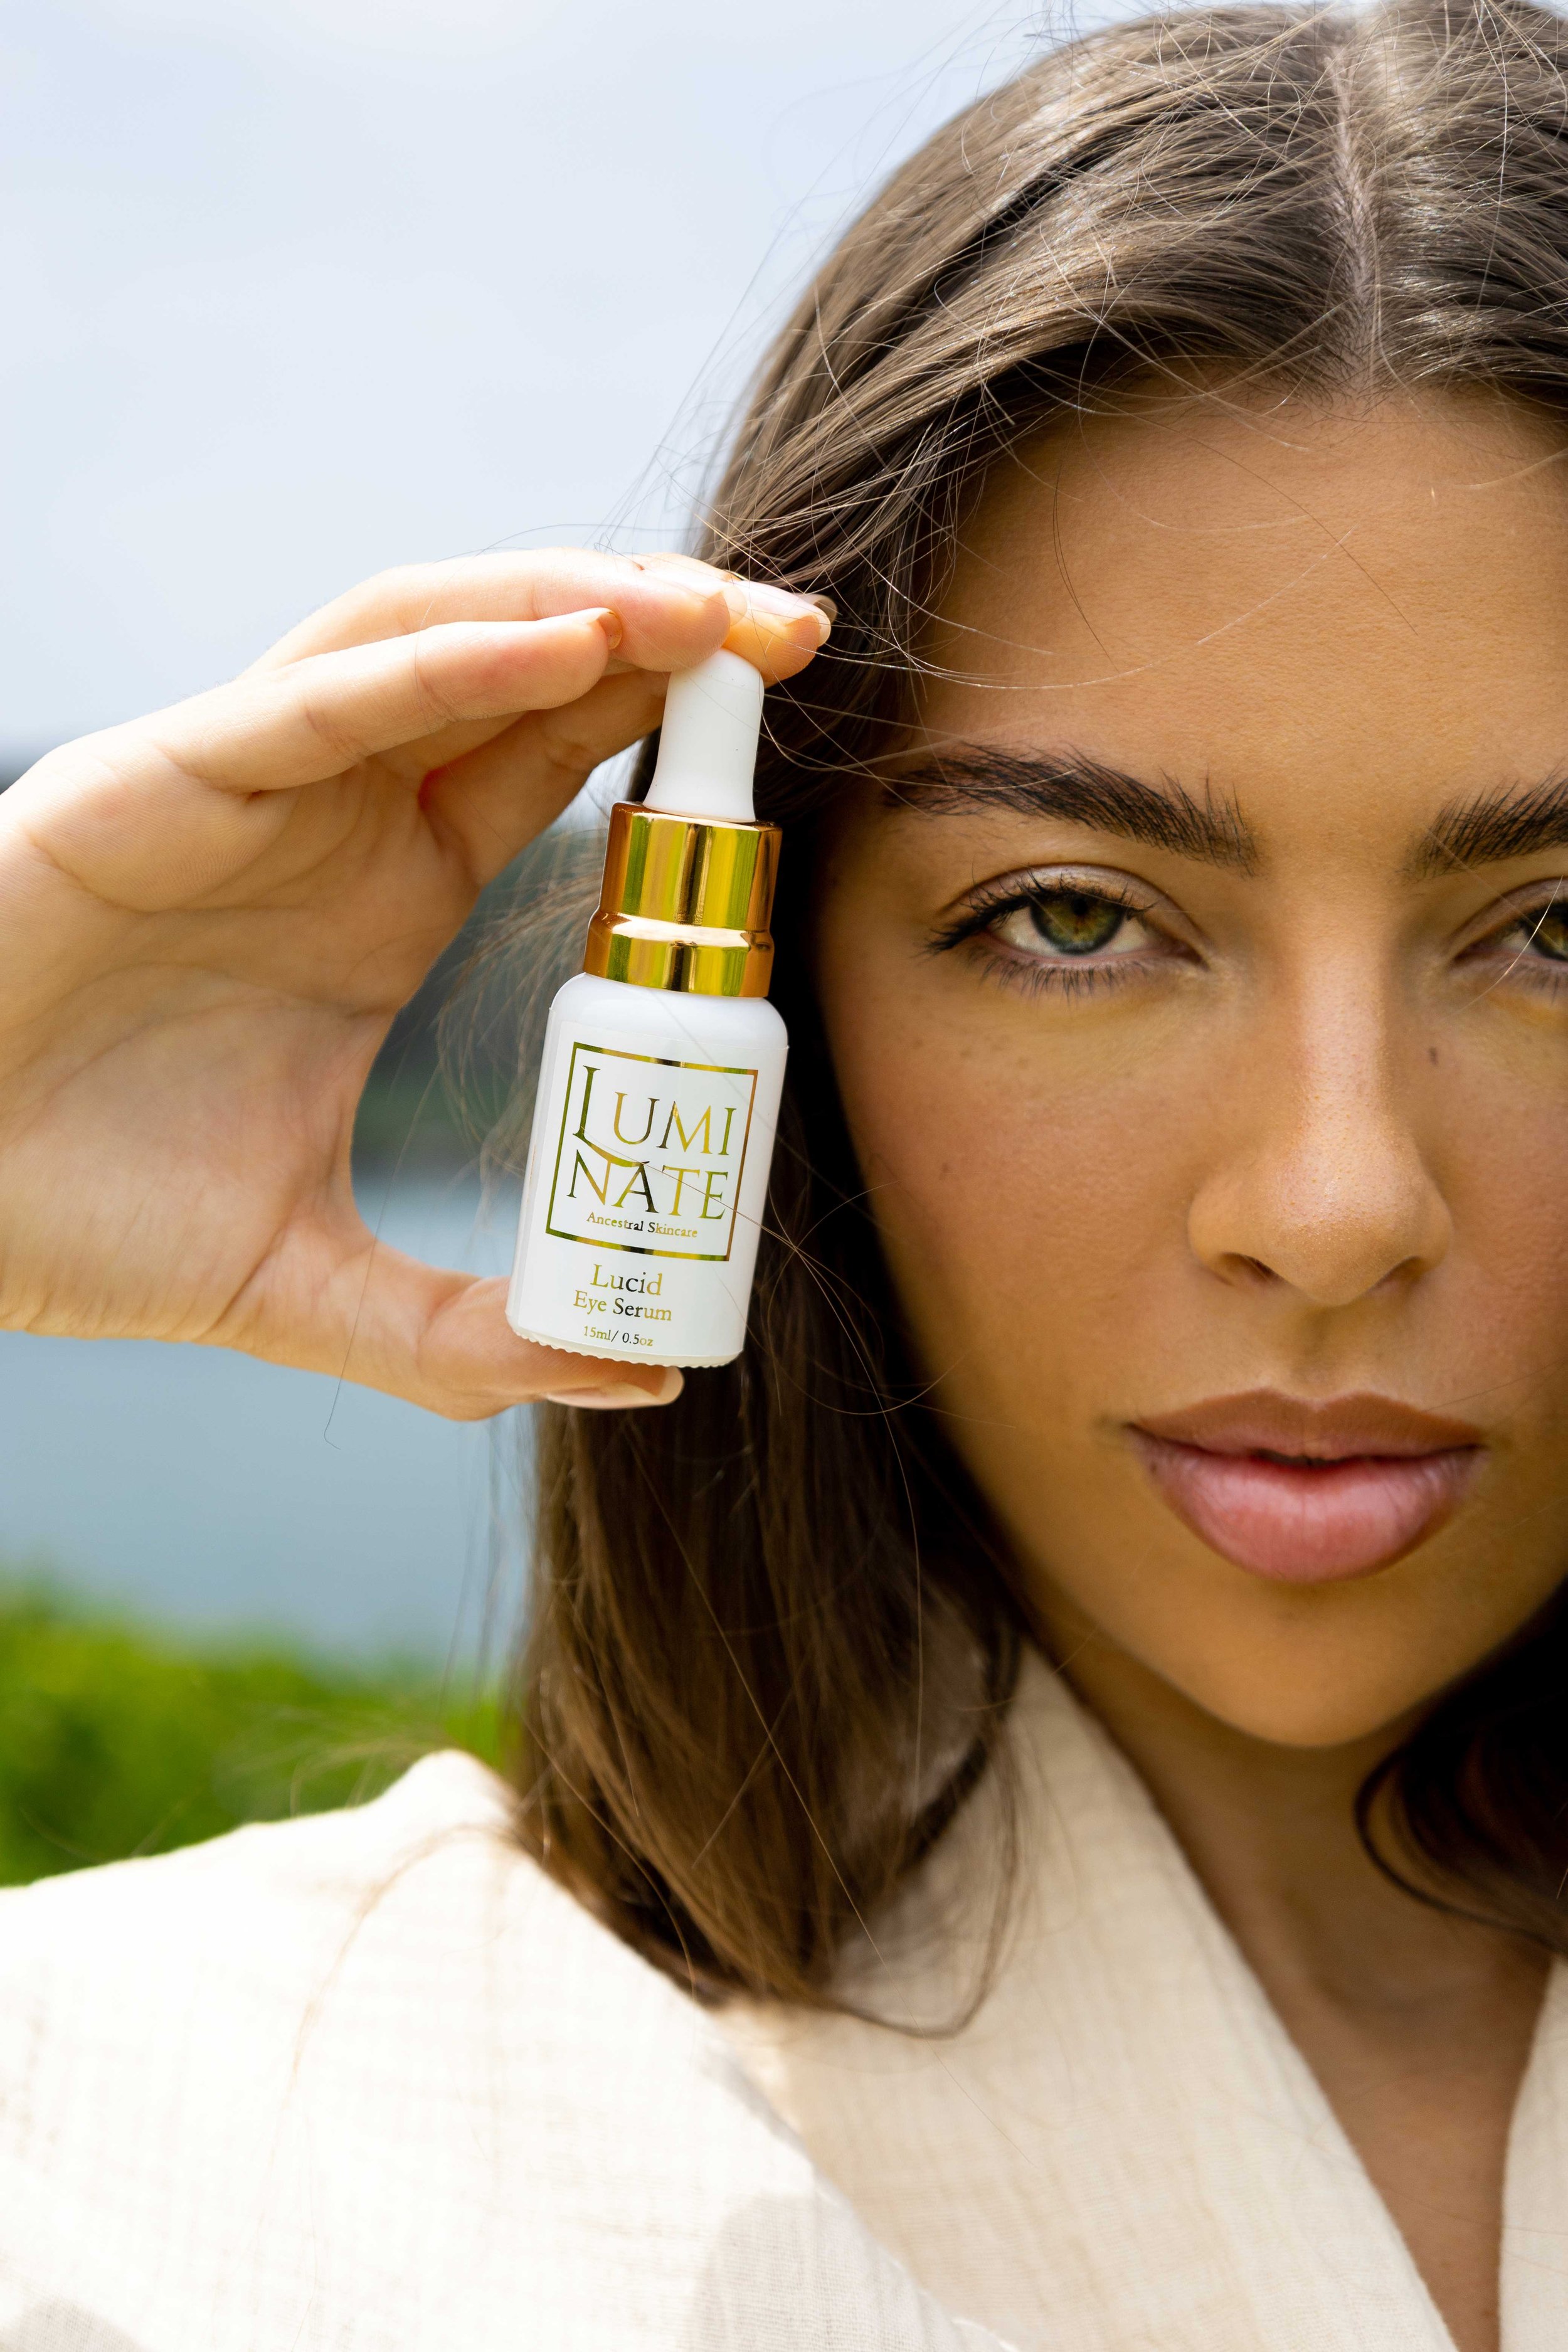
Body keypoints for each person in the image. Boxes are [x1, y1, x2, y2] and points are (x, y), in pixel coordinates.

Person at [3, 0, 1568, 2344]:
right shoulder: (152, 2143)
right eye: (1070, 920)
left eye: (1557, 931)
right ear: (785, 1003)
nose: (1333, 1204)